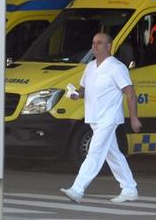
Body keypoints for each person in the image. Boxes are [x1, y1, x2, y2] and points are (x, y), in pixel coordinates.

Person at [60, 32, 142, 204]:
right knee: (113, 154)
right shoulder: (90, 67)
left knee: (94, 153)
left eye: (99, 42)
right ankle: (129, 188)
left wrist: (134, 118)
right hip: (93, 118)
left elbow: (130, 93)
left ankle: (77, 189)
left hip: (109, 118)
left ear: (109, 46)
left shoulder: (117, 67)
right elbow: (83, 90)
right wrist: (76, 94)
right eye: (93, 42)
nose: (95, 46)